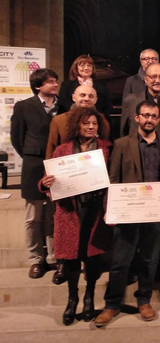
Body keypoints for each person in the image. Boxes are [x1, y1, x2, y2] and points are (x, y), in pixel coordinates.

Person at [95, 100, 160, 327]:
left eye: (153, 116)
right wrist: (110, 209)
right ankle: (112, 304)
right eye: (145, 115)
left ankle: (144, 300)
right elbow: (113, 179)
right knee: (120, 261)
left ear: (158, 119)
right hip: (127, 212)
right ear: (137, 118)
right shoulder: (121, 144)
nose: (149, 119)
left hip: (155, 213)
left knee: (150, 260)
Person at [39, 107, 111, 325]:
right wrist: (45, 183)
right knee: (72, 258)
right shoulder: (62, 150)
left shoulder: (107, 148)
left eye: (94, 123)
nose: (90, 127)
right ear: (76, 125)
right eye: (85, 123)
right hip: (70, 211)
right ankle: (72, 300)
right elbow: (47, 179)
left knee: (92, 257)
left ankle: (89, 298)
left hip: (95, 210)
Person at [11, 69, 65, 280]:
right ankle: (35, 259)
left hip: (58, 166)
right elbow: (17, 138)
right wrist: (32, 155)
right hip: (33, 166)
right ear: (37, 86)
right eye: (50, 82)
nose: (55, 84)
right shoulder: (24, 106)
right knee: (33, 218)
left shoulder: (63, 106)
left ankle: (52, 257)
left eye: (55, 81)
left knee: (53, 216)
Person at [121, 63, 160, 141]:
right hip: (135, 147)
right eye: (153, 77)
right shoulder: (131, 101)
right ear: (146, 79)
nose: (157, 80)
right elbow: (124, 131)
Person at [46, 85, 110, 160]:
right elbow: (51, 150)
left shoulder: (102, 119)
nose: (86, 99)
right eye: (82, 95)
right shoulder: (59, 120)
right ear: (74, 97)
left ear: (96, 100)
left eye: (91, 96)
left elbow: (106, 145)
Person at [58, 54, 113, 119]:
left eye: (89, 65)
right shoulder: (67, 84)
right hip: (73, 119)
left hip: (96, 120)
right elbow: (62, 104)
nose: (86, 68)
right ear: (76, 68)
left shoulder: (101, 85)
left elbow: (107, 106)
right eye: (82, 65)